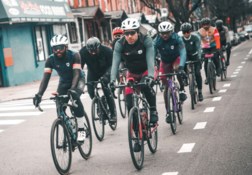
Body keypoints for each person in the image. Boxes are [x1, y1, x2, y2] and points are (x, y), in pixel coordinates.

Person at [110, 18, 158, 151]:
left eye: (132, 33)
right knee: (130, 103)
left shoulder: (146, 40)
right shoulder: (120, 44)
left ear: (137, 32)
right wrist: (112, 80)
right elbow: (115, 63)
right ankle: (137, 136)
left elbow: (150, 59)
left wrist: (149, 76)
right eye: (126, 33)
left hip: (146, 70)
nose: (129, 36)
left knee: (145, 86)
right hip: (131, 73)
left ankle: (153, 110)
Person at [33, 34, 86, 142]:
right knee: (60, 109)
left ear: (66, 47)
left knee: (75, 97)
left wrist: (72, 89)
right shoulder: (50, 60)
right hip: (63, 82)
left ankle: (81, 128)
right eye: (55, 48)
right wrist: (39, 94)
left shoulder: (74, 55)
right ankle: (69, 128)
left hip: (78, 80)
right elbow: (45, 79)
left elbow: (76, 74)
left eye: (60, 48)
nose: (58, 51)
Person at [153, 21, 187, 123]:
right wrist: (154, 66)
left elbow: (183, 51)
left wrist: (181, 66)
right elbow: (152, 54)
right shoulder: (157, 41)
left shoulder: (176, 38)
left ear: (171, 31)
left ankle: (181, 89)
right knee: (166, 86)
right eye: (162, 33)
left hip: (176, 58)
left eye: (167, 33)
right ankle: (168, 112)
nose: (165, 35)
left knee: (177, 70)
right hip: (165, 61)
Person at [79, 37, 117, 122]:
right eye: (90, 51)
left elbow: (113, 66)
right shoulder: (83, 52)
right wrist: (80, 81)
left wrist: (107, 76)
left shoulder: (107, 51)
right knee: (90, 91)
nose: (92, 53)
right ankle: (98, 105)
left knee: (106, 89)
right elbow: (79, 68)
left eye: (95, 51)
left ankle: (113, 113)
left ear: (99, 47)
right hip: (93, 72)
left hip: (106, 71)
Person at [180, 22, 204, 101]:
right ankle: (186, 79)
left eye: (188, 32)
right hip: (186, 57)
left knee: (197, 74)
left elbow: (199, 49)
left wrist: (200, 57)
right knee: (182, 67)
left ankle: (200, 92)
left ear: (190, 31)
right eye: (184, 32)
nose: (186, 34)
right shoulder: (180, 39)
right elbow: (179, 51)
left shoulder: (195, 37)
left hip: (195, 56)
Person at [198, 17, 221, 84]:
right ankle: (207, 78)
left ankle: (218, 69)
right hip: (205, 47)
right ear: (202, 25)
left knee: (216, 57)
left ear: (209, 24)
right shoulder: (199, 31)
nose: (206, 26)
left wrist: (218, 47)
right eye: (204, 24)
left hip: (213, 46)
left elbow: (217, 39)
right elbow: (198, 41)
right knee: (205, 62)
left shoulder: (214, 29)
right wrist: (199, 49)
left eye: (207, 24)